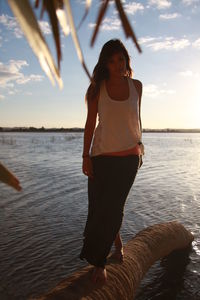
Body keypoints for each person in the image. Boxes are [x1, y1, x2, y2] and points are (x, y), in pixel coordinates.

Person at [80, 39, 143, 284]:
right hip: (101, 157)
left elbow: (137, 119)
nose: (118, 65)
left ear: (126, 61)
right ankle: (118, 245)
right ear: (105, 63)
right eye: (112, 60)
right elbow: (89, 125)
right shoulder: (97, 88)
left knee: (113, 207)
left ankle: (100, 263)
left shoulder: (137, 86)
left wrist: (140, 144)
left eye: (121, 59)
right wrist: (86, 156)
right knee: (99, 209)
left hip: (129, 159)